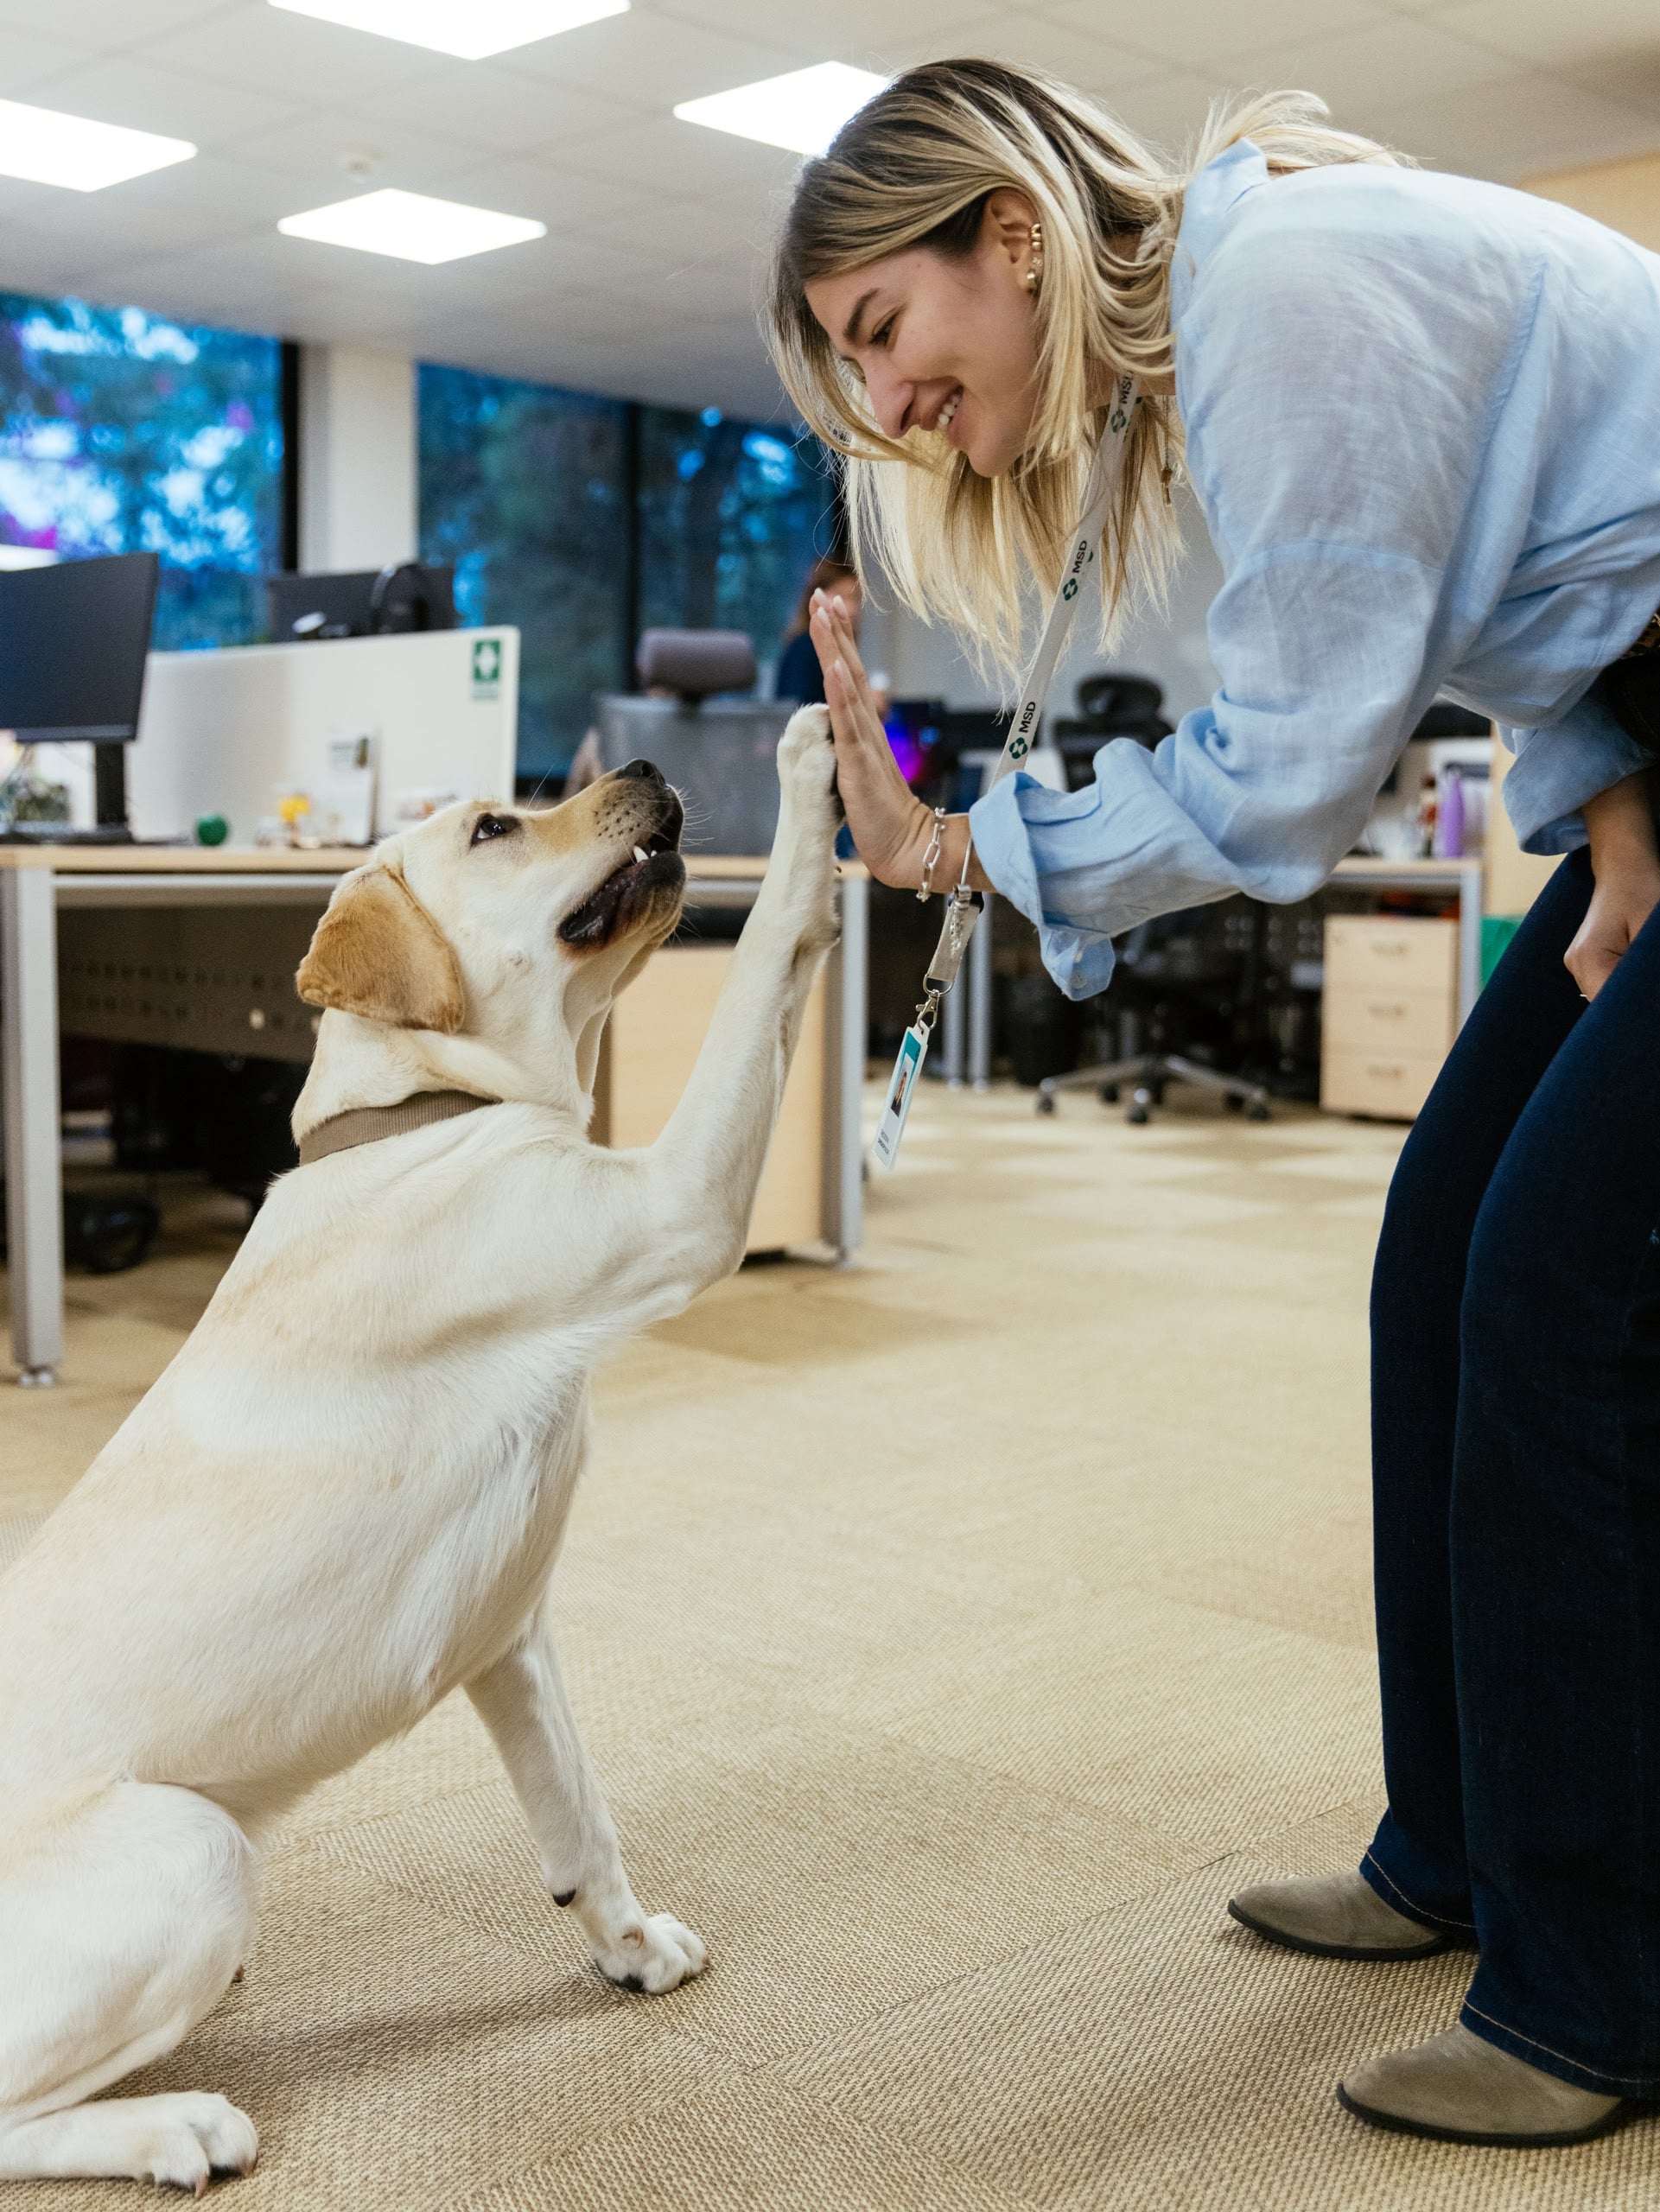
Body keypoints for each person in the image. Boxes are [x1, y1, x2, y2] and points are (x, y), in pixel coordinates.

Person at [766, 57, 1660, 2149]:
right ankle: (1450, 1845)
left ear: (1008, 228)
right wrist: (1612, 801)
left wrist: (964, 845)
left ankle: (1593, 1984)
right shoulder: (1244, 312)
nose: (884, 406)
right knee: (1441, 1247)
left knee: (1556, 1296)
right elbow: (1555, 570)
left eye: (883, 330)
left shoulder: (1287, 289)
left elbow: (1280, 772)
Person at [776, 556, 862, 706]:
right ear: (817, 598)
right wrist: (860, 704)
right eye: (842, 596)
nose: (852, 609)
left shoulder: (841, 650)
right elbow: (800, 711)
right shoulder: (804, 649)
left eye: (855, 598)